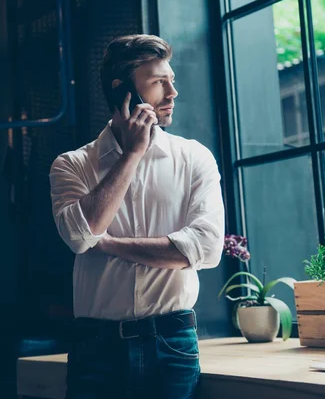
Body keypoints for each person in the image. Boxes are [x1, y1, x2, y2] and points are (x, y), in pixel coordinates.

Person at [50, 34, 225, 399]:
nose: (173, 92)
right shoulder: (72, 165)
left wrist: (108, 243)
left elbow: (206, 249)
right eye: (159, 82)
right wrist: (132, 154)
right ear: (122, 90)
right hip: (95, 345)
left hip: (172, 341)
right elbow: (80, 237)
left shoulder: (195, 158)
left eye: (171, 80)